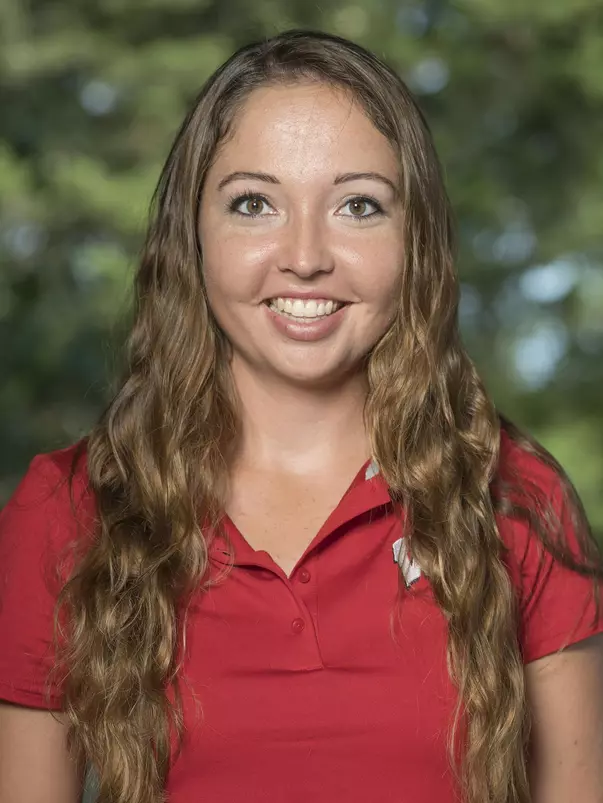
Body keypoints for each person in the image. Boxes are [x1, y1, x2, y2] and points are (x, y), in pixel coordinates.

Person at [0, 29, 602, 803]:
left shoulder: (514, 496)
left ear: (415, 240)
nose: (306, 254)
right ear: (192, 235)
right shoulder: (68, 509)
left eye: (358, 205)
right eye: (254, 204)